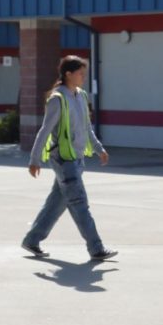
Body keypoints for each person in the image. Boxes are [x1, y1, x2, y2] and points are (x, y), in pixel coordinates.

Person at [21, 55, 118, 262]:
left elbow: (86, 127)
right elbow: (44, 131)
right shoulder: (58, 99)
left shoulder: (81, 96)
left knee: (56, 203)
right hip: (64, 160)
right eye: (80, 73)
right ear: (68, 74)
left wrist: (99, 148)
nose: (83, 76)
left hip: (77, 158)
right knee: (79, 203)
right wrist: (34, 159)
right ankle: (96, 248)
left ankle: (32, 240)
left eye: (84, 73)